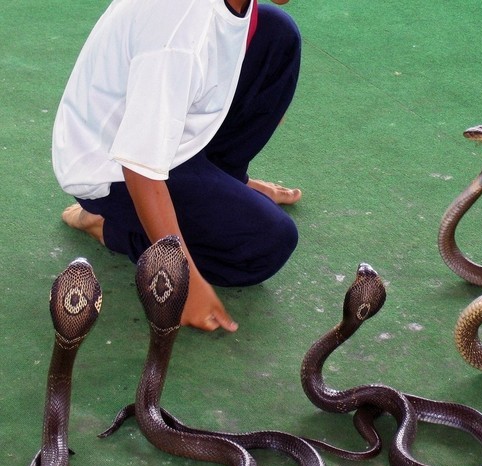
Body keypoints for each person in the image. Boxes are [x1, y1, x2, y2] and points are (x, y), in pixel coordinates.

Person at [53, 0, 301, 332]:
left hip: (167, 142)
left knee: (277, 36)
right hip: (112, 167)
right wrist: (177, 275)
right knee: (269, 243)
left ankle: (223, 181)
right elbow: (138, 167)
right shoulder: (179, 23)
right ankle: (107, 225)